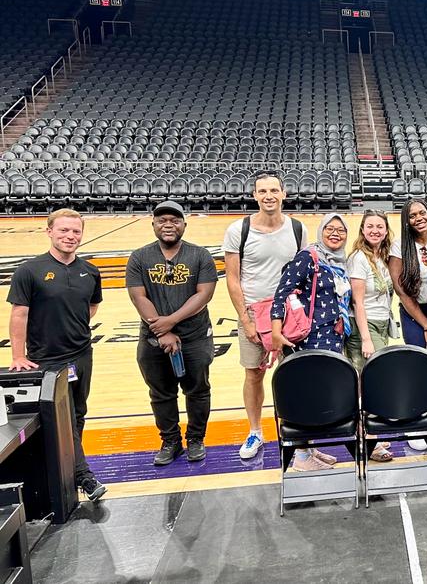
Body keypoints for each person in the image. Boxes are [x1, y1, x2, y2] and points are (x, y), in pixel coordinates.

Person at [6, 208, 106, 501]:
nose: (70, 236)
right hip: (47, 360)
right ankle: (84, 477)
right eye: (63, 230)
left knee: (77, 414)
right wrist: (17, 355)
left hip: (82, 355)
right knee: (60, 418)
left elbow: (91, 306)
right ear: (49, 231)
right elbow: (19, 314)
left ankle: (70, 470)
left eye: (75, 232)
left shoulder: (90, 270)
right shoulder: (30, 271)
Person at [223, 172, 308, 460]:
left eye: (274, 190)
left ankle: (295, 432)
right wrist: (245, 320)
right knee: (253, 374)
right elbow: (233, 279)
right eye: (263, 191)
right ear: (255, 195)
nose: (269, 195)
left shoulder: (298, 229)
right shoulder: (239, 230)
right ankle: (255, 431)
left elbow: (304, 274)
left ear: (284, 193)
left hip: (288, 314)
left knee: (293, 375)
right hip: (253, 312)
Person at [126, 201, 217, 467]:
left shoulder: (200, 255)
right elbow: (137, 295)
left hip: (195, 336)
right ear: (153, 224)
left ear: (184, 225)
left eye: (175, 220)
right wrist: (161, 329)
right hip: (153, 337)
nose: (169, 225)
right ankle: (170, 441)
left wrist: (171, 322)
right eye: (162, 220)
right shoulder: (140, 257)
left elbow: (204, 294)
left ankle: (196, 439)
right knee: (161, 393)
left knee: (198, 390)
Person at [270, 214, 356, 470]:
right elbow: (282, 293)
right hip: (309, 338)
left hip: (332, 338)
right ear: (320, 231)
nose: (335, 234)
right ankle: (302, 456)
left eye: (340, 230)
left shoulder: (341, 262)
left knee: (319, 393)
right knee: (306, 394)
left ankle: (310, 449)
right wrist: (276, 330)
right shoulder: (308, 257)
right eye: (329, 228)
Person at [389, 199, 427, 349]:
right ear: (406, 221)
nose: (419, 218)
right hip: (413, 310)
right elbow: (400, 290)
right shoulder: (399, 246)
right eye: (412, 215)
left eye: (422, 213)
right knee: (419, 355)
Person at [345, 210, 394, 372]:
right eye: (370, 226)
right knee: (370, 374)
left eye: (380, 227)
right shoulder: (359, 258)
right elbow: (357, 302)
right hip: (364, 325)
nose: (375, 230)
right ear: (362, 230)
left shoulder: (383, 257)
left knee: (375, 375)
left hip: (382, 323)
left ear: (386, 231)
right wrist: (366, 339)